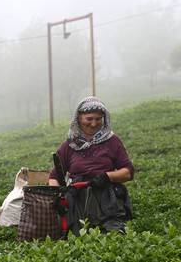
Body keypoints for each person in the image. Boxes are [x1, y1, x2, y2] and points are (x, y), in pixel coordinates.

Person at [49, 96, 134, 234]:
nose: (94, 123)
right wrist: (58, 196)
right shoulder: (69, 146)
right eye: (89, 119)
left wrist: (108, 176)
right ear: (79, 119)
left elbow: (128, 172)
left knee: (113, 233)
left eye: (98, 119)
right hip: (77, 196)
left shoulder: (112, 141)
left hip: (106, 198)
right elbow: (54, 176)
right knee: (75, 234)